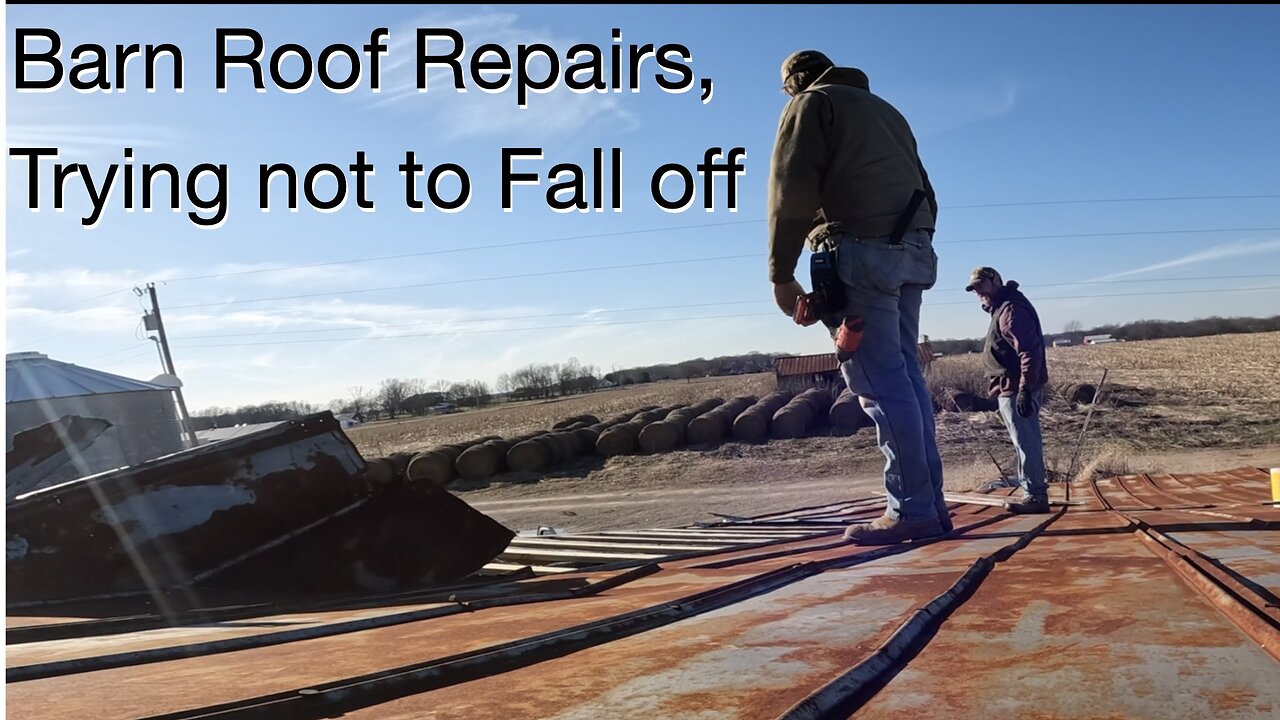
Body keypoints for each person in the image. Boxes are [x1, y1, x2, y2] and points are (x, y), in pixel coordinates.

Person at [767, 50, 948, 545]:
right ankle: (930, 504)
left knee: (879, 385)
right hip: (912, 252)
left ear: (796, 81)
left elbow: (791, 190)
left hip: (860, 252)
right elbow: (928, 191)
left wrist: (781, 274)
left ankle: (912, 511)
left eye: (787, 88)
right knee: (906, 381)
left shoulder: (811, 103)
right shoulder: (889, 113)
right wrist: (912, 243)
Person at [965, 266, 1051, 513]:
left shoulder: (1010, 310)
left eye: (982, 285)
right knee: (1023, 442)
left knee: (1026, 443)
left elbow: (1028, 352)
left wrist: (1024, 389)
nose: (979, 292)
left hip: (1016, 390)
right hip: (1011, 390)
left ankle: (1035, 497)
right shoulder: (1004, 308)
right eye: (975, 289)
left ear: (996, 282)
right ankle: (1032, 493)